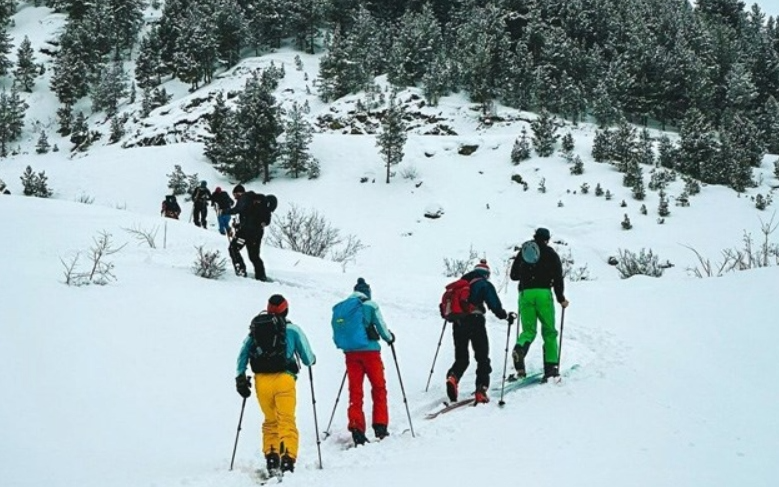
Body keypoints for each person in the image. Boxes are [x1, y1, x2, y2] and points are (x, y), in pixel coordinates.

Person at [235, 294, 316, 475]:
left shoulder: (256, 330)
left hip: (261, 381)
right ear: (286, 310)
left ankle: (272, 458)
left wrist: (240, 377)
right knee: (286, 421)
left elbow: (243, 353)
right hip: (284, 380)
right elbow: (307, 358)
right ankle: (288, 460)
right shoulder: (293, 330)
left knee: (270, 421)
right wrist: (312, 360)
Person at [332, 278, 394, 446]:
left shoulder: (345, 307)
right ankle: (380, 425)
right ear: (367, 292)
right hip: (371, 353)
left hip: (351, 354)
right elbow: (382, 328)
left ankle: (356, 426)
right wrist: (389, 338)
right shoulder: (370, 305)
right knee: (379, 388)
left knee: (355, 391)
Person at [509, 227, 570, 382]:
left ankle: (520, 349)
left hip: (525, 294)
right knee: (549, 331)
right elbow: (558, 278)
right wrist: (560, 298)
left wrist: (527, 273)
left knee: (529, 330)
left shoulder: (525, 251)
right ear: (547, 239)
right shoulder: (550, 253)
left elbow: (514, 275)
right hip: (543, 294)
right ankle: (551, 369)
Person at [445, 259, 509, 404]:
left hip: (458, 322)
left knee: (462, 357)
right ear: (486, 274)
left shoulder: (460, 284)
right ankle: (481, 390)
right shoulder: (483, 284)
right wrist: (503, 315)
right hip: (475, 321)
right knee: (482, 357)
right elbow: (494, 304)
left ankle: (453, 377)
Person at [227, 184, 271, 280]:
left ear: (238, 193)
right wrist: (238, 225)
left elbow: (238, 209)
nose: (235, 198)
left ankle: (241, 271)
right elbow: (249, 216)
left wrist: (227, 211)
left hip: (245, 233)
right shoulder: (255, 200)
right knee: (254, 255)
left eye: (235, 195)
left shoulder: (244, 198)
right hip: (257, 233)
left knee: (233, 248)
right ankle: (261, 276)